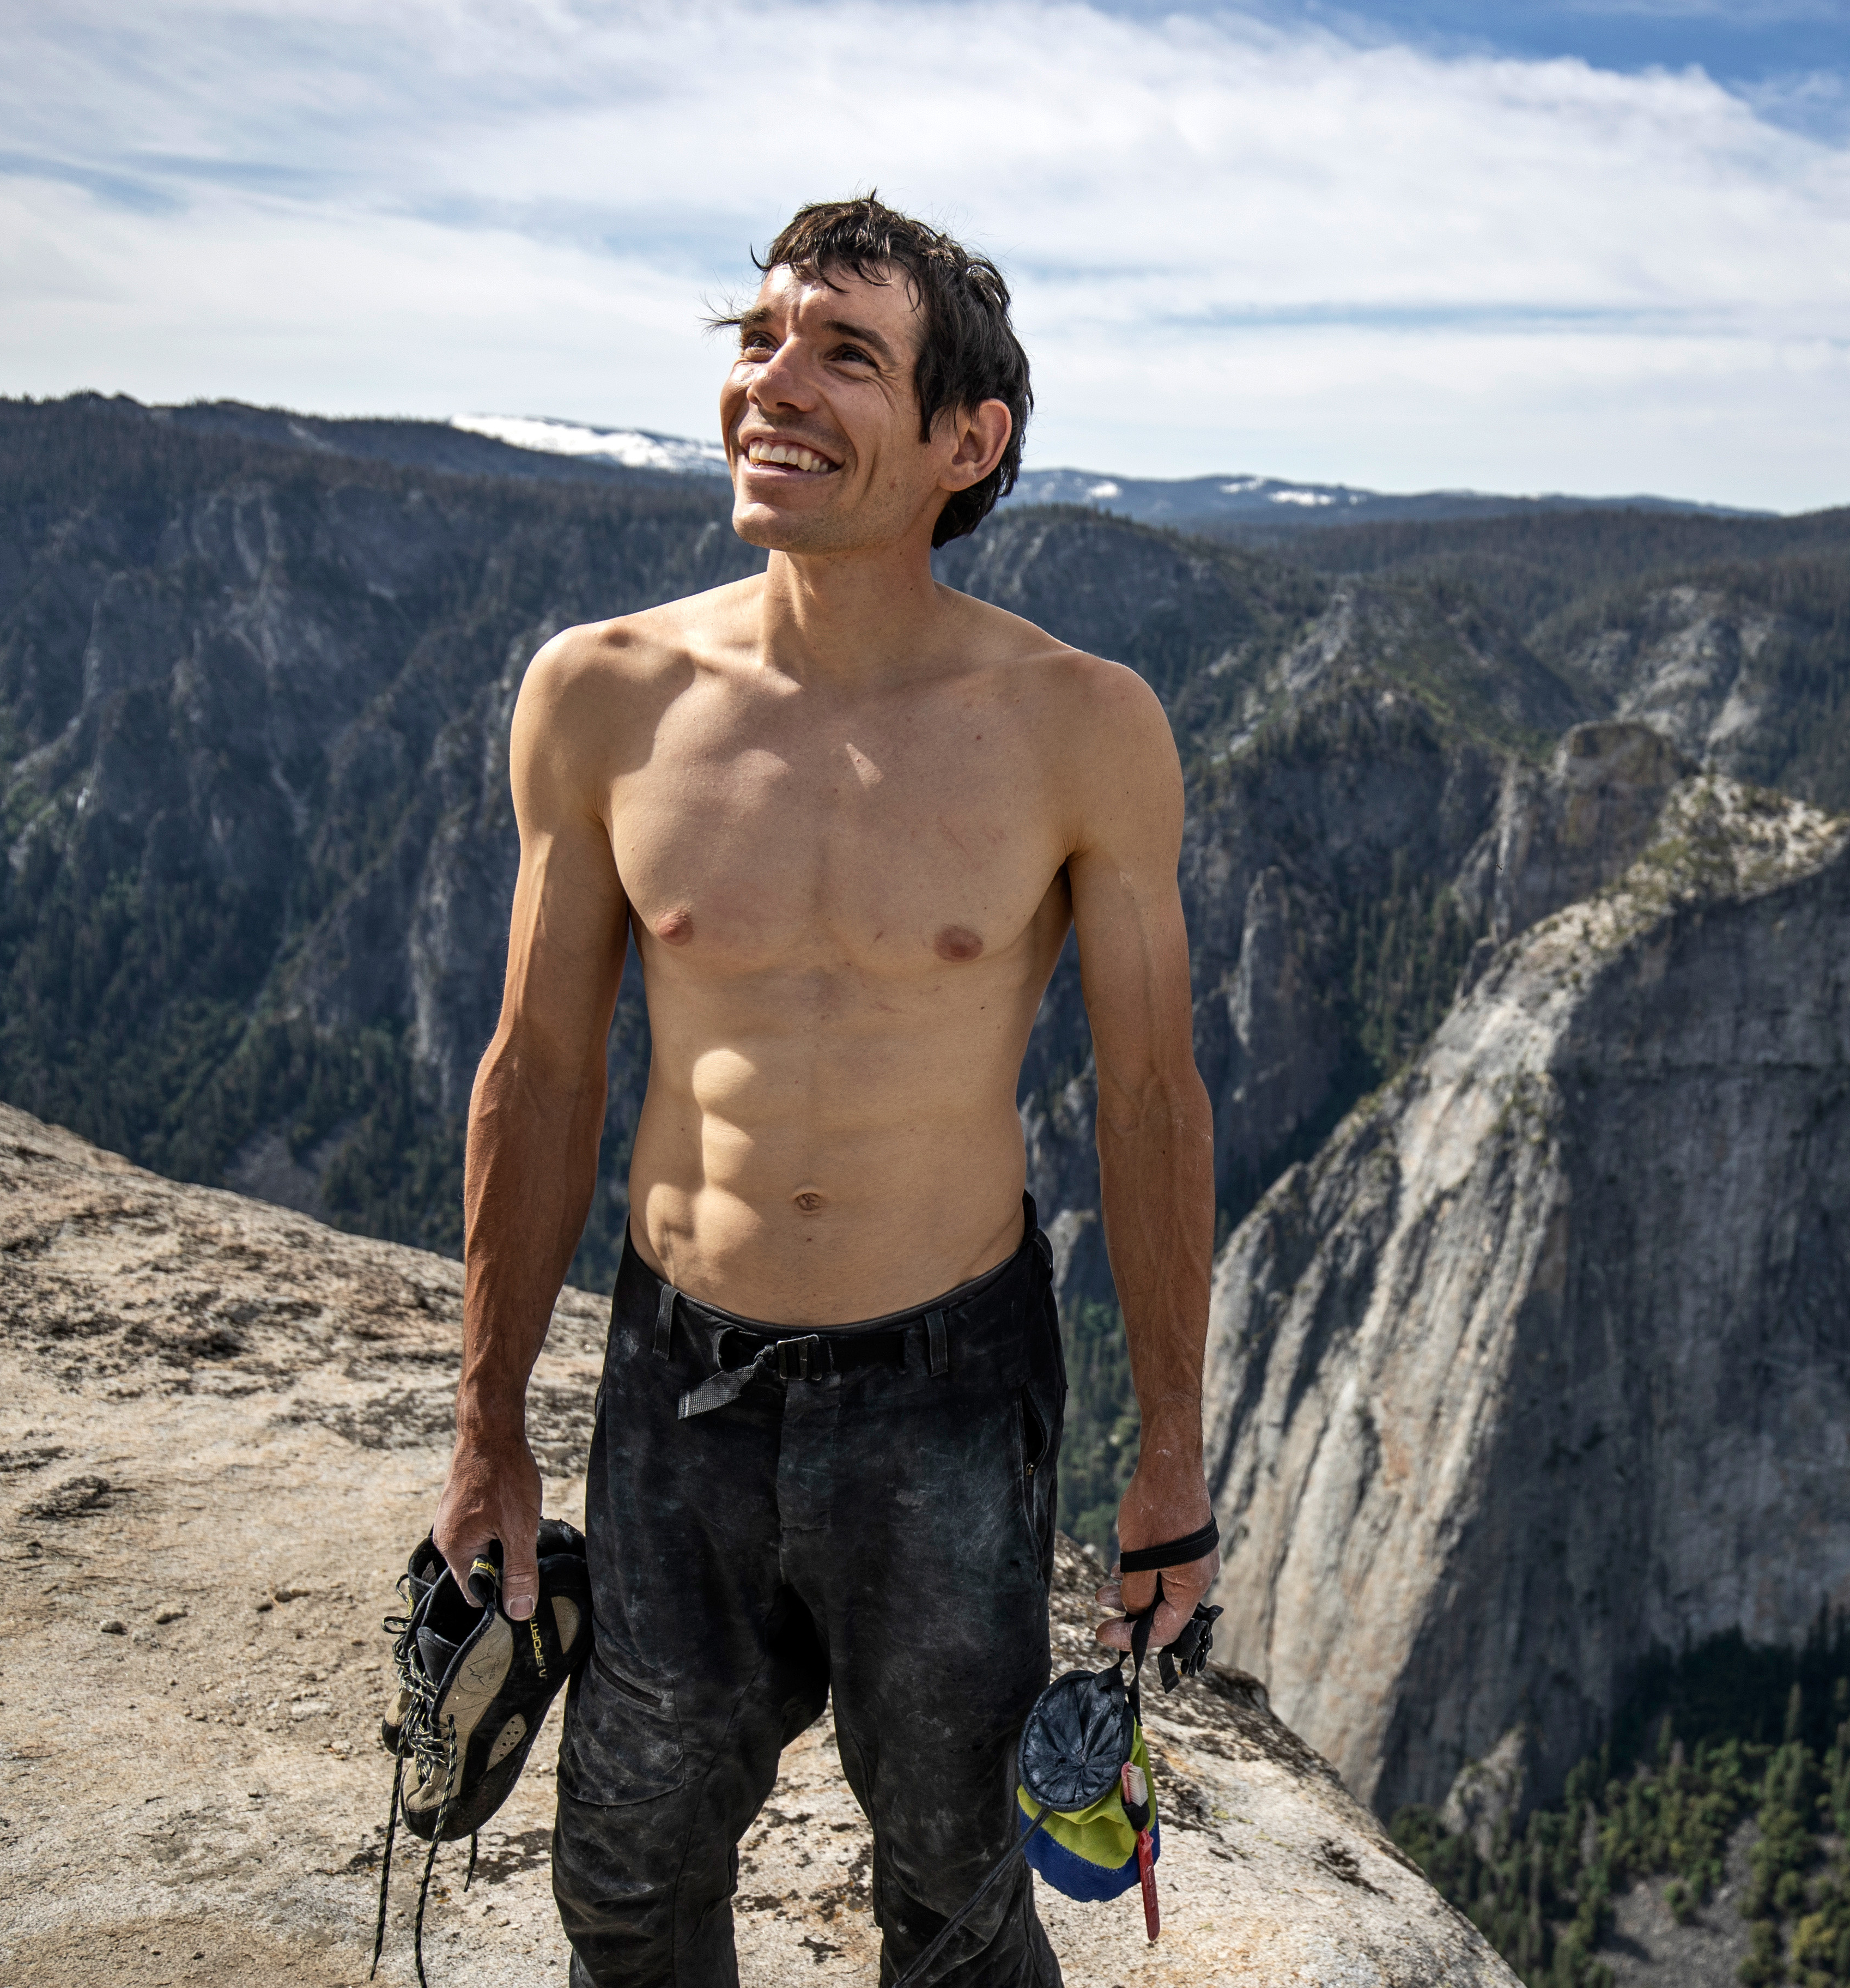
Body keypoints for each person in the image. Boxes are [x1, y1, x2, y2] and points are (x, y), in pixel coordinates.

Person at [429, 196, 1217, 1988]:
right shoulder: (602, 695)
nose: (769, 383)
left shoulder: (1082, 726)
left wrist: (1170, 1458)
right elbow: (539, 1072)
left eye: (843, 351)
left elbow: (1153, 1098)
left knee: (956, 1890)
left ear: (967, 440)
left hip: (947, 1393)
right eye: (759, 335)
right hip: (674, 1382)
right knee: (626, 1882)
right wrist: (487, 1428)